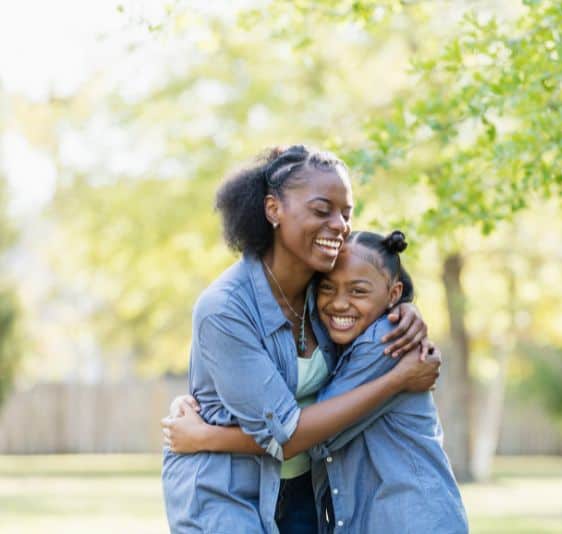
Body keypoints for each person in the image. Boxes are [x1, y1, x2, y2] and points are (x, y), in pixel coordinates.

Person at [161, 145, 440, 534]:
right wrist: (398, 380)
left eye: (347, 213)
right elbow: (286, 435)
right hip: (228, 494)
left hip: (305, 491)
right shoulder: (224, 309)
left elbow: (373, 292)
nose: (340, 225)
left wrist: (407, 308)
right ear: (273, 209)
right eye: (322, 210)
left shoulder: (323, 293)